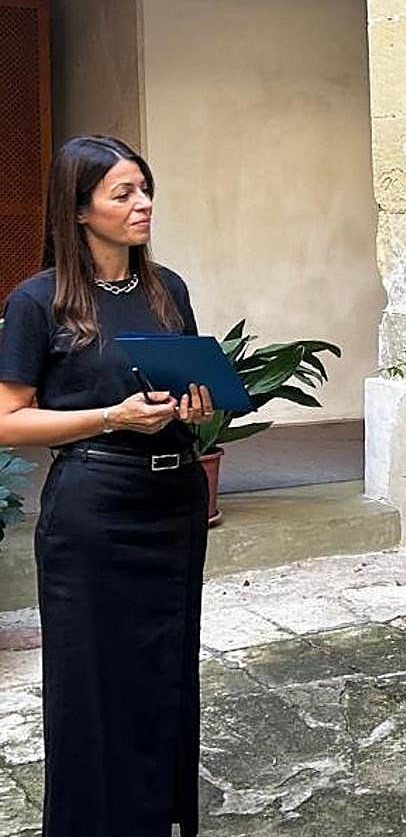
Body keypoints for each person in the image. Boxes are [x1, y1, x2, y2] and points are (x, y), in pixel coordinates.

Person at [0, 135, 214, 836]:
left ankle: (159, 821)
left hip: (173, 502)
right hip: (94, 514)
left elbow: (189, 381)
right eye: (123, 194)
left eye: (145, 188)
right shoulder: (38, 301)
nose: (143, 204)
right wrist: (109, 417)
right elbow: (8, 422)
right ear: (80, 208)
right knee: (92, 685)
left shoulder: (166, 288)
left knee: (167, 672)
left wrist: (194, 403)